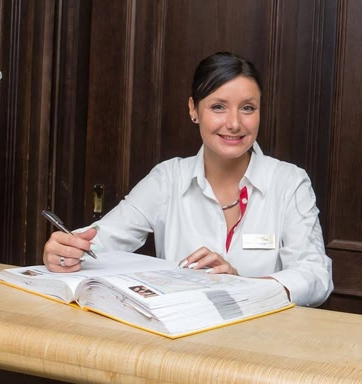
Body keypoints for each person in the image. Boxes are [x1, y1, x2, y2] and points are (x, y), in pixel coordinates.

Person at [43, 51, 333, 307]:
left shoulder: (289, 181)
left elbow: (316, 276)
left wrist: (243, 286)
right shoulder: (168, 179)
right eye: (218, 107)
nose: (234, 123)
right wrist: (66, 251)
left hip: (261, 342)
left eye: (247, 108)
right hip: (180, 339)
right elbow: (101, 240)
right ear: (193, 109)